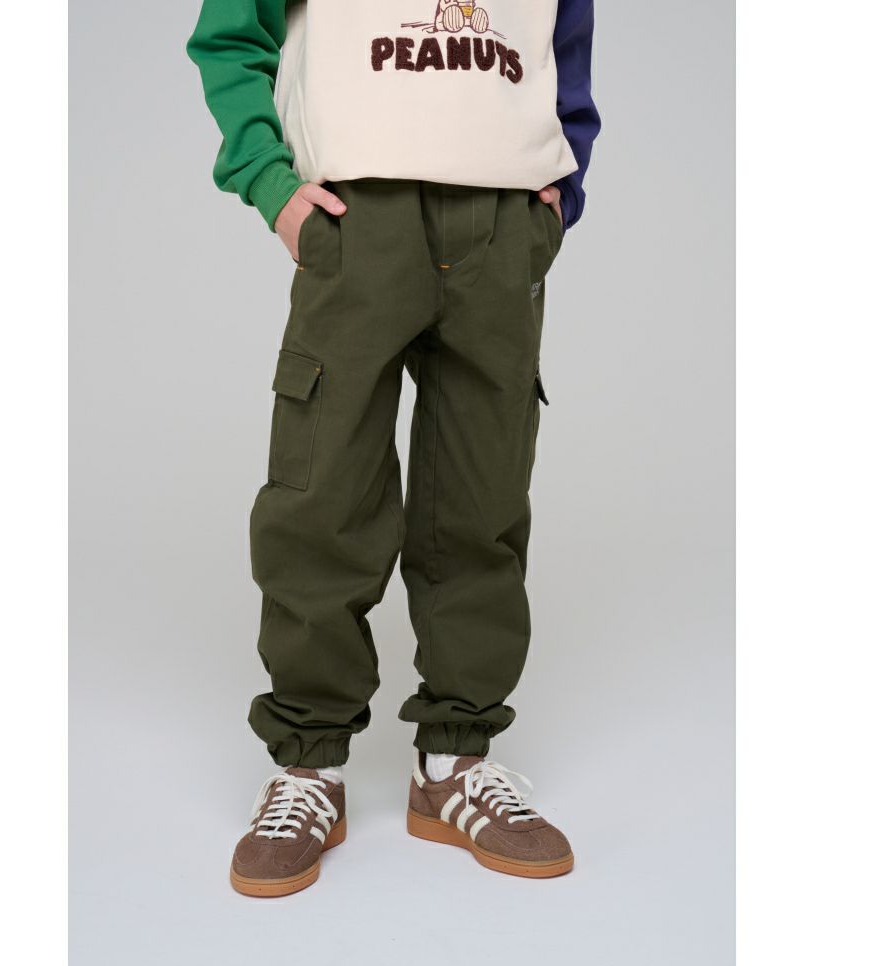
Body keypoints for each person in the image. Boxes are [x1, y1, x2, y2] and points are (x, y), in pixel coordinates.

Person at [188, 0, 600, 897]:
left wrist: (562, 187)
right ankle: (308, 766)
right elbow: (229, 35)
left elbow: (565, 43)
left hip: (502, 219)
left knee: (483, 496)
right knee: (324, 492)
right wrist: (270, 182)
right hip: (358, 215)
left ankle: (454, 762)